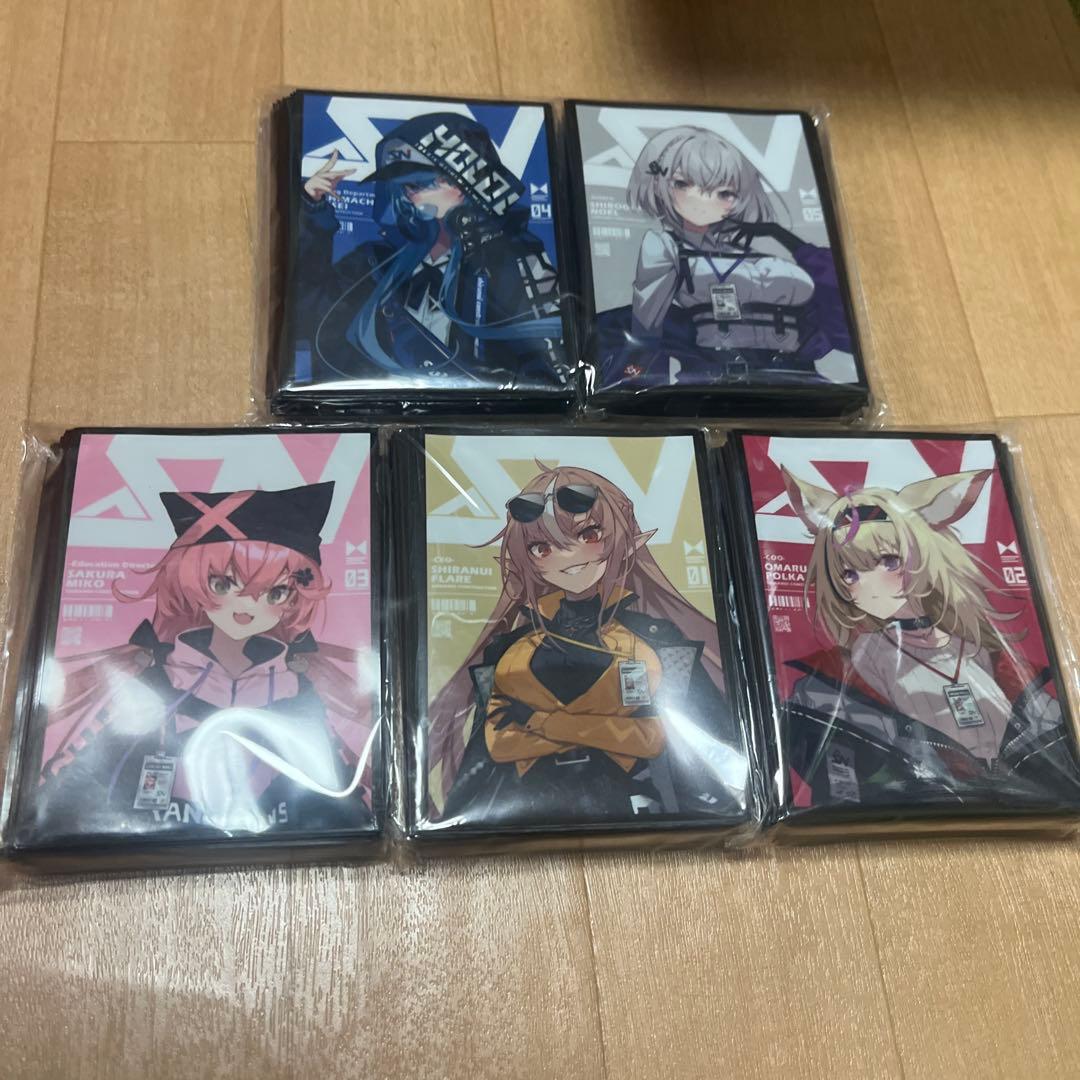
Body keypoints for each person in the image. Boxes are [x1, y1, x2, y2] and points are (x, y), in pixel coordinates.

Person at [33, 481, 375, 837]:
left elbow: (345, 792)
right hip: (156, 836)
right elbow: (76, 776)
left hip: (290, 834)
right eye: (223, 585)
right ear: (191, 581)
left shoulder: (296, 687)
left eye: (275, 592)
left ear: (294, 598)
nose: (246, 606)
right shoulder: (161, 678)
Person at [428, 464, 746, 828]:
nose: (567, 556)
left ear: (623, 539)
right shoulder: (509, 651)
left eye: (588, 534)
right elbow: (494, 746)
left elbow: (672, 739)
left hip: (639, 810)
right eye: (541, 548)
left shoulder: (658, 641)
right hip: (527, 812)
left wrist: (540, 723)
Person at [295, 113, 565, 385]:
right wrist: (311, 210)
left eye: (422, 182)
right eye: (405, 185)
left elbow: (548, 366)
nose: (411, 194)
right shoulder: (377, 261)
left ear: (465, 183)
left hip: (474, 408)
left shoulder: (513, 261)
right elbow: (311, 310)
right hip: (377, 402)